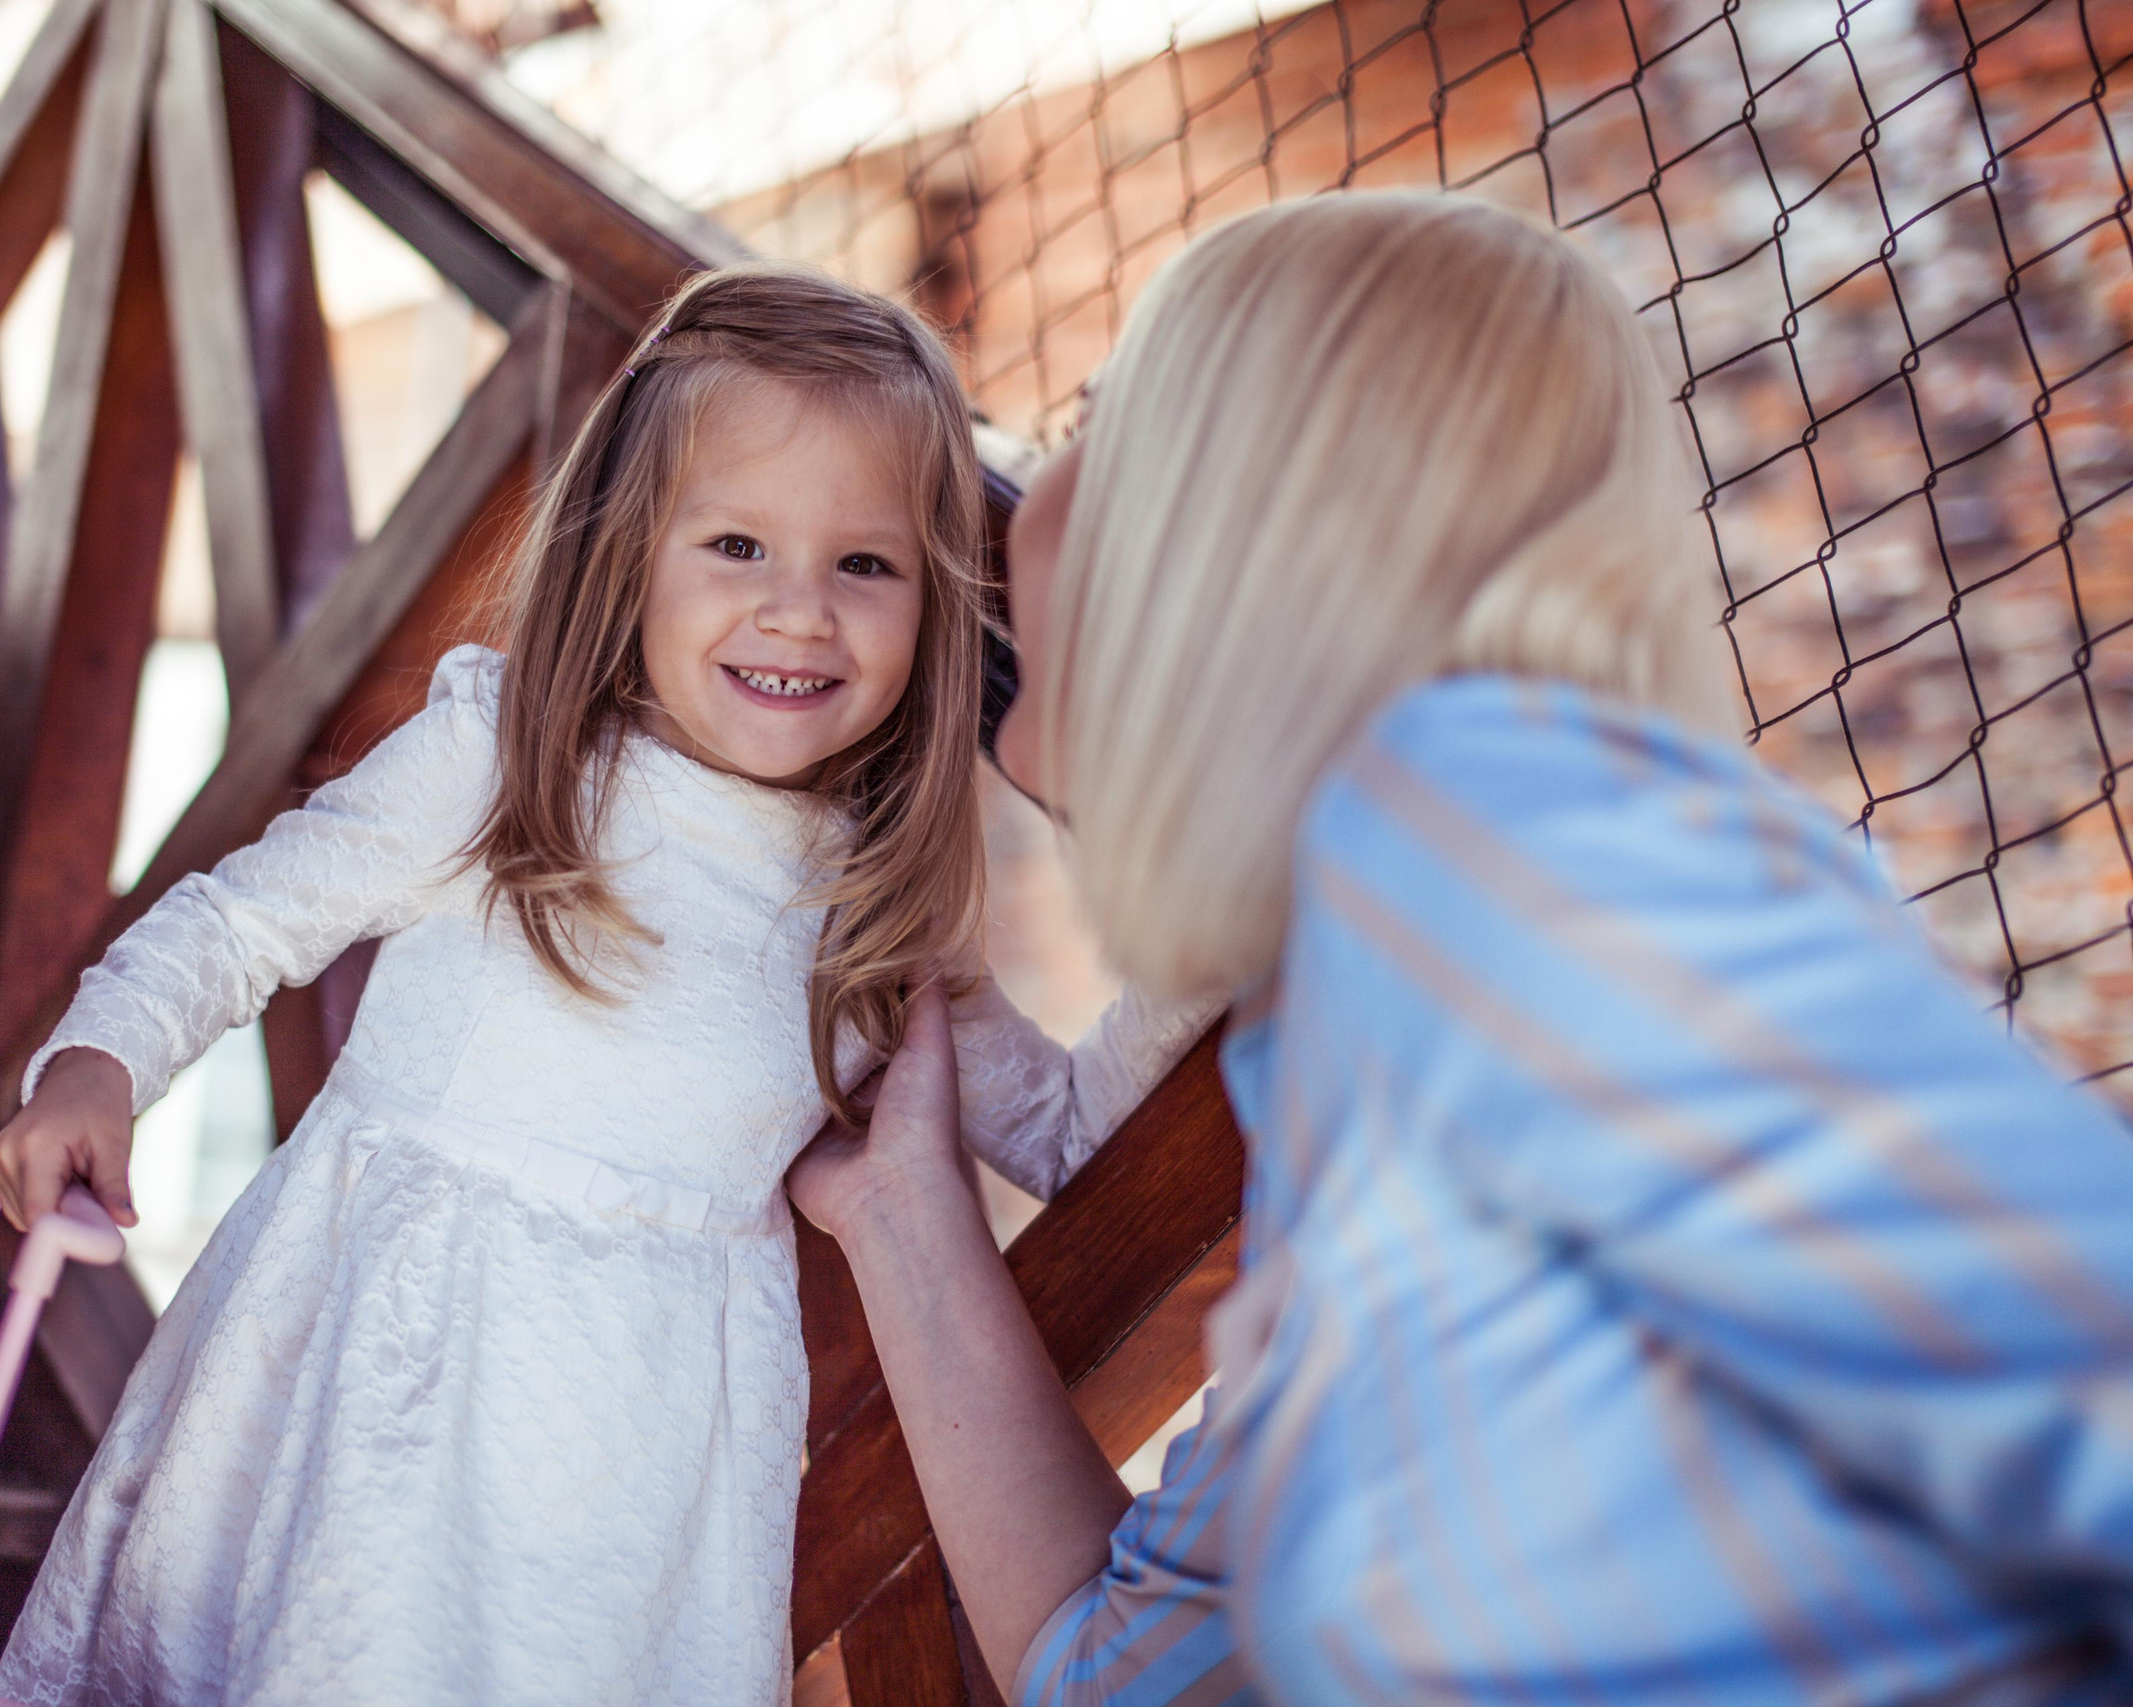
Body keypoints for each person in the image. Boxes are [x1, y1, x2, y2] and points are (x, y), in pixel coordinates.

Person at [789, 194, 2133, 1706]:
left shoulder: (1488, 815)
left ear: (1234, 532)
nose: (1027, 491)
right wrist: (906, 1210)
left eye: (1104, 420)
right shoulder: (1359, 1017)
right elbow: (1114, 1679)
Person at [0, 262, 1203, 1706]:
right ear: (629, 553)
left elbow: (1067, 1137)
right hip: (377, 1391)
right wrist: (98, 1062)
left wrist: (1221, 929)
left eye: (864, 565)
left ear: (931, 607)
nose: (801, 612)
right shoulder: (509, 764)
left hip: (630, 1489)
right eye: (738, 544)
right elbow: (247, 923)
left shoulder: (876, 909)